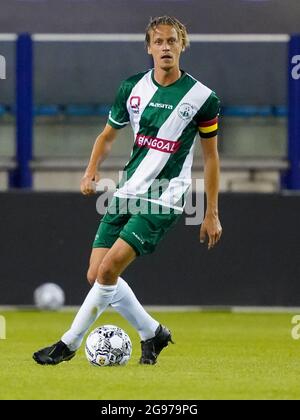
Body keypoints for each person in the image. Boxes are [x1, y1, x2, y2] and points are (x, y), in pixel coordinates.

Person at [33, 16, 222, 366]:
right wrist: (91, 171)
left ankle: (68, 344)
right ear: (149, 47)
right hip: (126, 191)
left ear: (182, 46)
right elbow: (107, 136)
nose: (166, 47)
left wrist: (210, 213)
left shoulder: (202, 98)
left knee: (107, 274)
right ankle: (153, 332)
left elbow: (211, 158)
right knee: (96, 275)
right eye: (159, 41)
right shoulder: (131, 89)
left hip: (164, 197)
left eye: (172, 41)